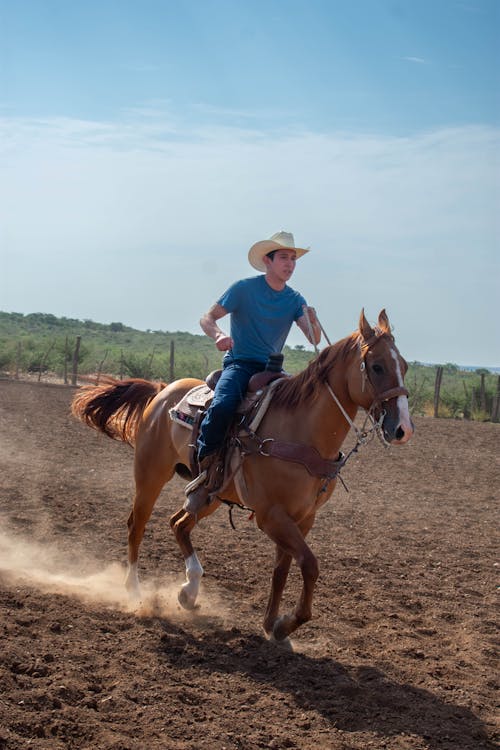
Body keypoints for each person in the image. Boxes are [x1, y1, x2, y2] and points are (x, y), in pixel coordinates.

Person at [184, 230, 321, 515]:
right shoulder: (244, 289)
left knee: (295, 413)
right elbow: (206, 317)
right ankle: (205, 466)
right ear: (267, 261)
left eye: (293, 259)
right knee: (222, 406)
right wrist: (219, 335)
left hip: (272, 369)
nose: (290, 264)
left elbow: (314, 339)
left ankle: (270, 479)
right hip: (239, 364)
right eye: (284, 257)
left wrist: (314, 321)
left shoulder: (296, 300)